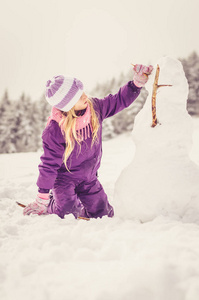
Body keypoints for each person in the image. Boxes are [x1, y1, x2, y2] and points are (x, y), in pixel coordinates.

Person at [23, 64, 153, 219]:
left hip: (88, 177)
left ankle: (80, 203)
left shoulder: (94, 108)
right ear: (67, 105)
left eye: (82, 92)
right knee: (68, 212)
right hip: (64, 180)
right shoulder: (55, 130)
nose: (85, 96)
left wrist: (135, 84)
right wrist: (42, 197)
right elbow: (49, 164)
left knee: (103, 213)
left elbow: (117, 101)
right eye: (78, 97)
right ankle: (53, 204)